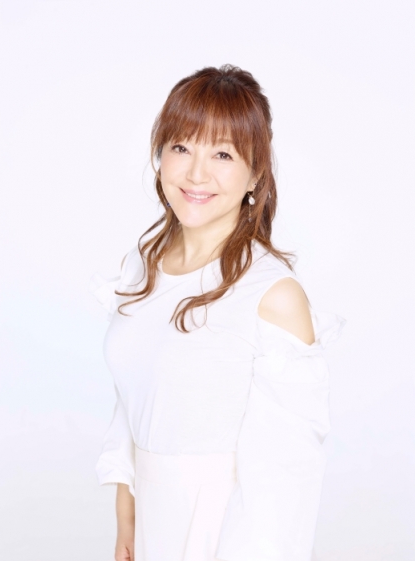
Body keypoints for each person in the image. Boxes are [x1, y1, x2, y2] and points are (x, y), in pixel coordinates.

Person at [90, 64, 345, 561]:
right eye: (181, 147)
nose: (196, 174)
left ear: (256, 173)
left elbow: (283, 483)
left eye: (223, 154)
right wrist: (127, 514)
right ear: (159, 155)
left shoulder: (272, 295)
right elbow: (136, 392)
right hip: (150, 523)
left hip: (220, 530)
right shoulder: (142, 266)